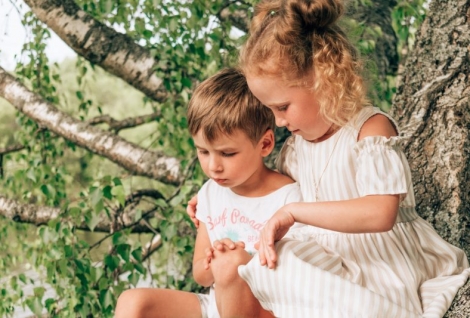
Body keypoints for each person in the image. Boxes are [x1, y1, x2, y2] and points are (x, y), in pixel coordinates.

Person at [187, 0, 470, 317]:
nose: (278, 121)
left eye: (282, 107)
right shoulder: (295, 150)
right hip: (330, 261)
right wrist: (215, 195)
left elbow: (381, 212)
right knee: (267, 266)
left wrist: (294, 212)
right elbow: (268, 188)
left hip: (380, 262)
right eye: (272, 111)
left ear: (324, 79)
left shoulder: (369, 131)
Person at [115, 67, 302, 318]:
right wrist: (215, 259)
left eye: (227, 153)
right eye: (203, 151)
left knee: (232, 264)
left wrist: (235, 262)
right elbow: (201, 277)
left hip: (267, 310)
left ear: (265, 144)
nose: (213, 166)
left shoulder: (289, 199)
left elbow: (295, 283)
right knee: (133, 301)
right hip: (218, 308)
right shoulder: (210, 194)